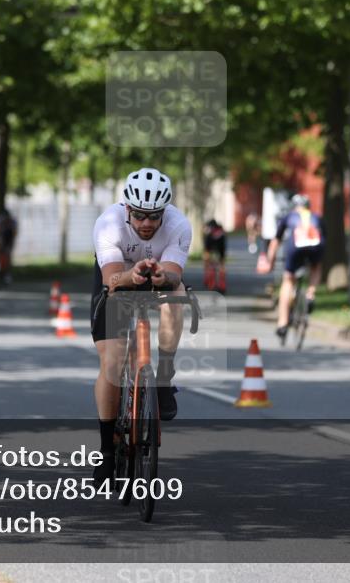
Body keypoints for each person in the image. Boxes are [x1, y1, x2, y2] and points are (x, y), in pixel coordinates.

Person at [89, 167, 192, 485]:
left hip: (158, 277)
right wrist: (131, 277)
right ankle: (107, 450)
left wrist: (163, 276)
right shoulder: (108, 224)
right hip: (118, 280)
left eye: (154, 216)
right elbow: (111, 280)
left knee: (176, 293)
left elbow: (174, 274)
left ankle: (164, 376)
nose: (147, 223)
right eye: (140, 216)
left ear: (165, 213)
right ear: (127, 209)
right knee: (113, 362)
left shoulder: (179, 225)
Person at [256, 193, 323, 343]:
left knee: (288, 280)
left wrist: (270, 263)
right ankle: (311, 294)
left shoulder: (289, 217)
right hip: (315, 245)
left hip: (296, 245)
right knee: (316, 267)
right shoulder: (316, 217)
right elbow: (323, 236)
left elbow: (275, 243)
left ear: (294, 207)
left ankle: (283, 323)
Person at [0, 209, 18, 285]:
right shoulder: (4, 221)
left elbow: (13, 233)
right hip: (3, 242)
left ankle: (5, 275)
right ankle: (1, 274)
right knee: (1, 259)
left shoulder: (11, 222)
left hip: (7, 242)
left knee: (6, 259)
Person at [202, 218, 227, 294]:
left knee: (210, 270)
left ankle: (211, 285)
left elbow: (206, 245)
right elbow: (223, 246)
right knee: (220, 271)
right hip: (219, 254)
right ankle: (222, 286)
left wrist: (206, 255)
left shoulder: (209, 232)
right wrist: (222, 257)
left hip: (210, 253)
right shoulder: (221, 233)